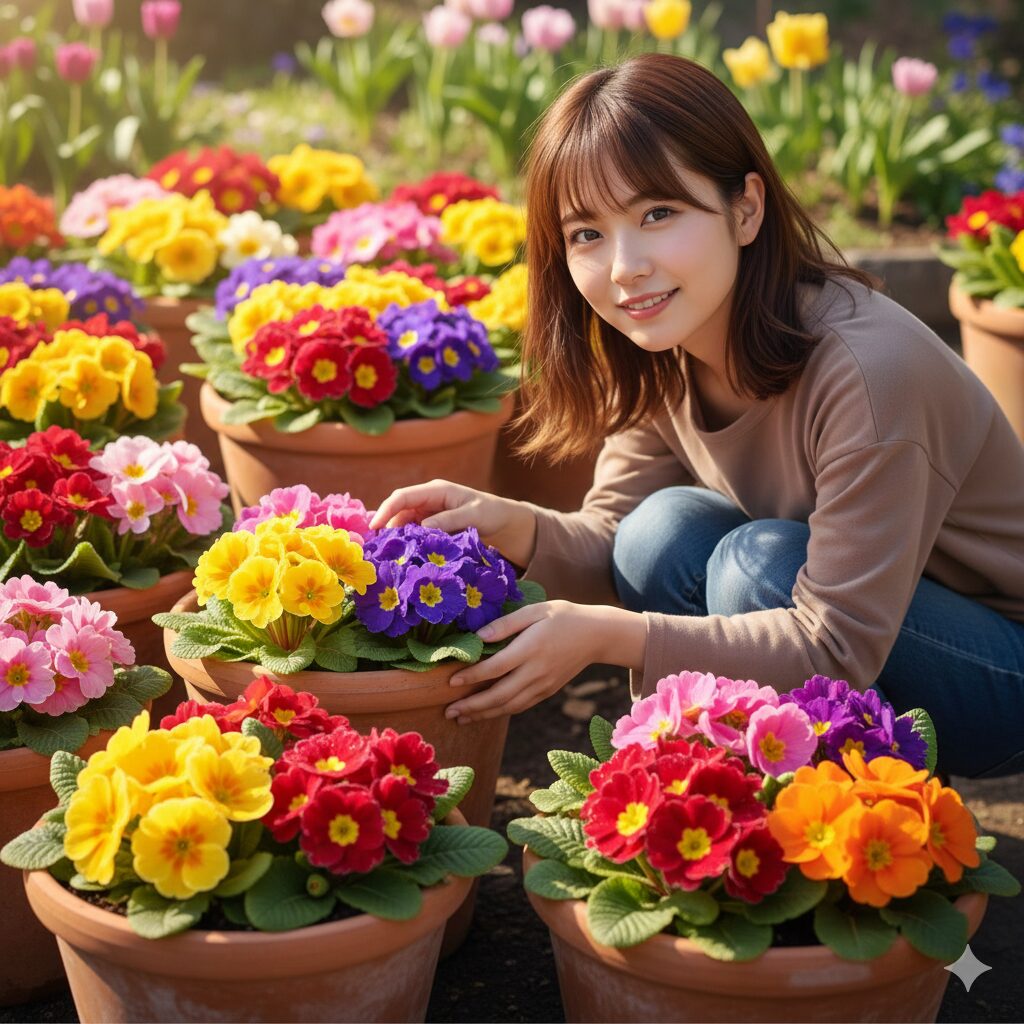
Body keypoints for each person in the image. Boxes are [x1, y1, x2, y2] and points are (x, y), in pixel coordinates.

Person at [371, 53, 1024, 779]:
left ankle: (845, 803)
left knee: (758, 568)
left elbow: (833, 645)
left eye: (658, 214)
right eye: (587, 234)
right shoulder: (668, 344)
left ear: (746, 209)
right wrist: (509, 525)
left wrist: (610, 636)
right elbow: (618, 539)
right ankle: (719, 785)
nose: (625, 266)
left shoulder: (870, 373)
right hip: (875, 624)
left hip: (1001, 670)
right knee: (661, 530)